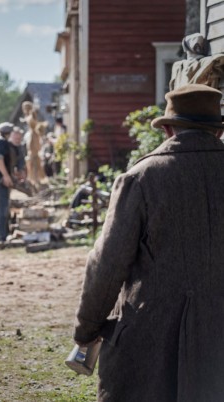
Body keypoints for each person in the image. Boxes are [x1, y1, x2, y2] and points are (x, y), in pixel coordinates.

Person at [73, 84, 224, 401]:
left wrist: (87, 328)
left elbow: (108, 263)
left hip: (151, 342)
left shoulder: (142, 178)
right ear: (218, 131)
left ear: (168, 129)